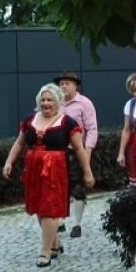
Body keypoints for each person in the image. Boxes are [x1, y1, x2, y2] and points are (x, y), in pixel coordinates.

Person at [3, 84, 95, 266]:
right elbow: (19, 143)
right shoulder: (30, 120)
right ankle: (54, 243)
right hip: (33, 170)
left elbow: (78, 148)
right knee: (38, 206)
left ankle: (44, 252)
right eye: (43, 100)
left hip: (55, 170)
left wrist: (87, 171)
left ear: (58, 101)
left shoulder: (68, 123)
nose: (46, 103)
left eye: (49, 99)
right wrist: (9, 162)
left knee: (50, 209)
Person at [53, 72, 97, 235]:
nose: (64, 86)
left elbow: (92, 129)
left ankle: (77, 224)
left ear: (75, 85)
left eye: (67, 83)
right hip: (57, 151)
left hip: (77, 150)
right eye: (61, 83)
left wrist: (88, 151)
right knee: (58, 186)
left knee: (78, 186)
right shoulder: (55, 102)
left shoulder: (84, 103)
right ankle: (60, 220)